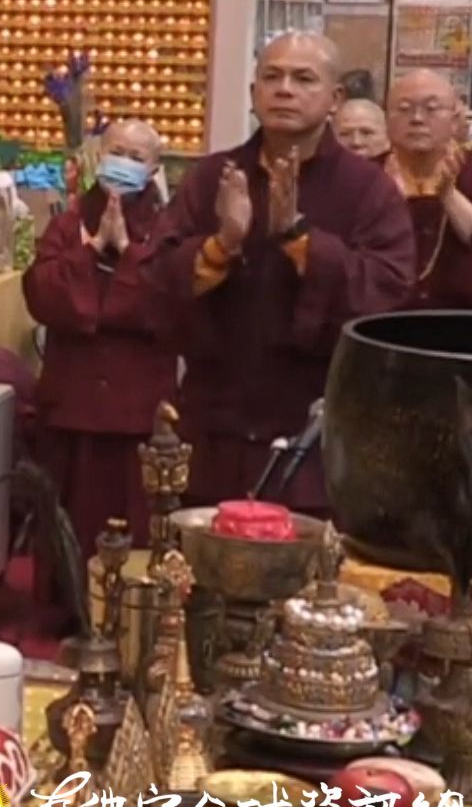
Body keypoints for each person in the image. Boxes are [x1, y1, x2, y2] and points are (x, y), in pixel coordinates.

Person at [145, 33, 414, 509]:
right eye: (272, 77)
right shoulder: (213, 177)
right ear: (254, 93)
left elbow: (387, 293)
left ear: (334, 99)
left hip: (315, 436)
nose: (284, 89)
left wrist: (300, 238)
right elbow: (156, 278)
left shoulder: (368, 189)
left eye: (303, 78)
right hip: (214, 431)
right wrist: (222, 244)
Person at [22, 118, 178, 553]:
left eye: (136, 157)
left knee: (137, 529)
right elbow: (42, 296)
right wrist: (91, 249)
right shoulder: (67, 224)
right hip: (73, 398)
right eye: (117, 153)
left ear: (154, 169)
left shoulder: (169, 228)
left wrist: (127, 251)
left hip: (139, 407)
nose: (124, 164)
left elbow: (170, 307)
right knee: (69, 525)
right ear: (98, 156)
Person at [384, 70, 472, 308]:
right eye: (404, 109)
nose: (417, 118)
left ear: (455, 120)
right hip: (382, 321)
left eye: (431, 108)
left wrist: (449, 197)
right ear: (387, 120)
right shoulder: (368, 176)